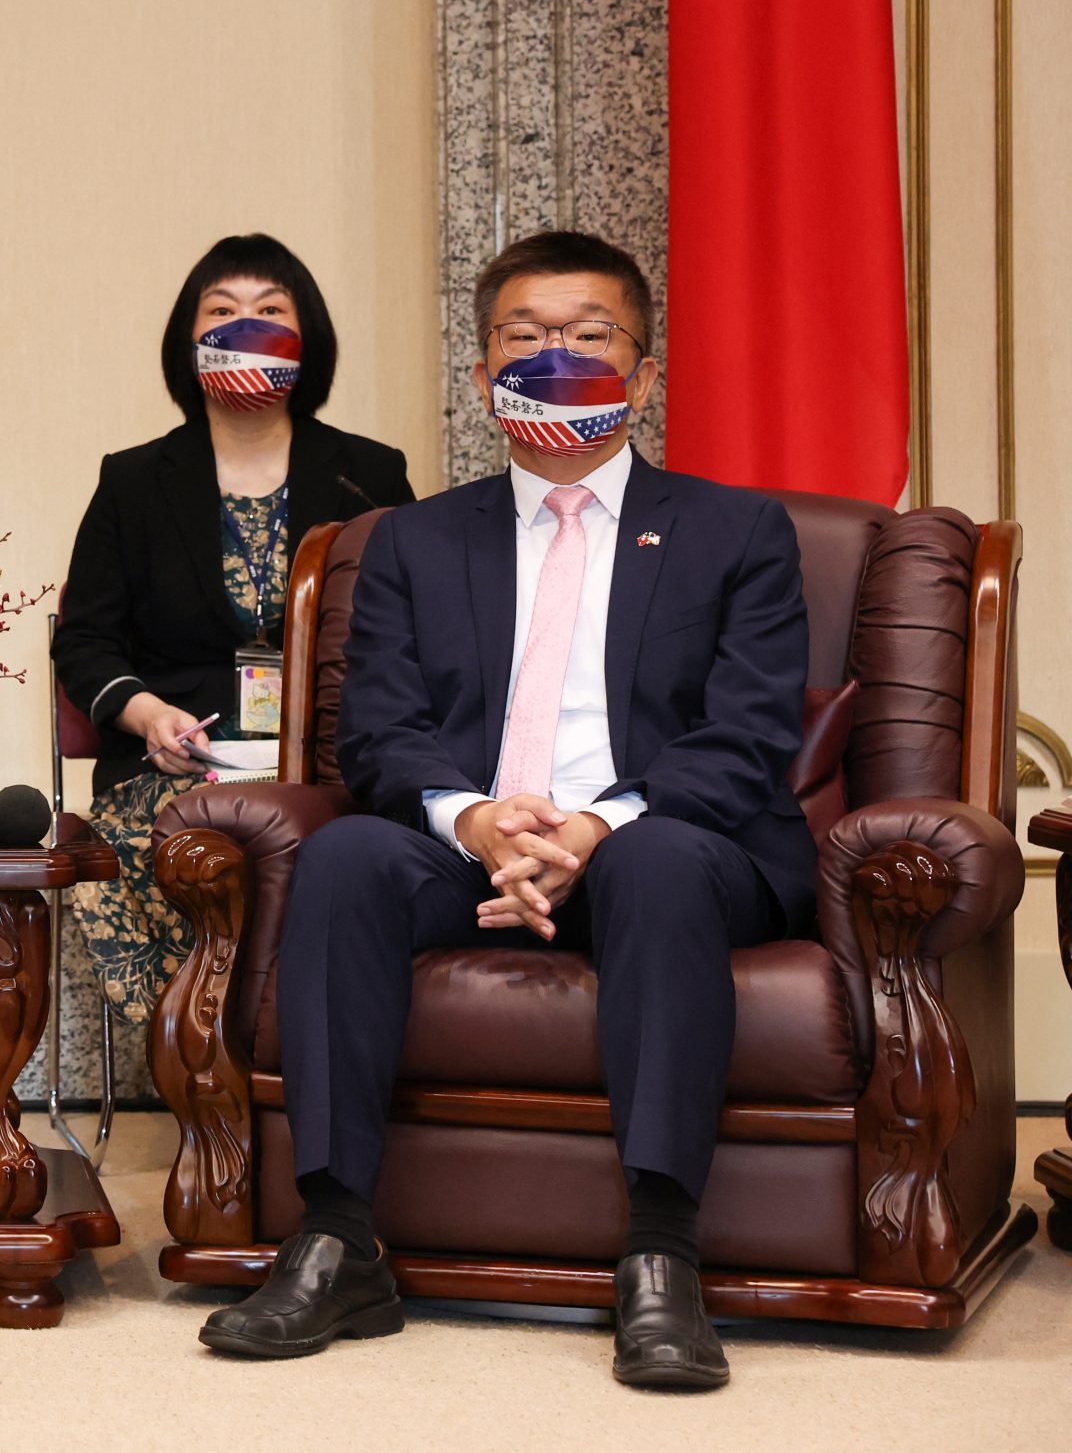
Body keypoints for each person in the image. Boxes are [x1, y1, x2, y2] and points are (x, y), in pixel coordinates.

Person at [198, 231, 812, 1391]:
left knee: (661, 862)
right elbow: (375, 732)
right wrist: (475, 822)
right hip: (475, 843)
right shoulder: (412, 542)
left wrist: (594, 827)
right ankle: (336, 1235)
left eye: (588, 338)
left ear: (643, 373)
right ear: (481, 374)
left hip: (665, 844)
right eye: (522, 340)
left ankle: (661, 1254)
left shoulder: (736, 533)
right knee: (343, 862)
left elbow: (745, 738)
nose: (554, 358)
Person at [54, 233, 411, 1020]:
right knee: (175, 842)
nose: (245, 327)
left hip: (328, 767)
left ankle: (305, 1059)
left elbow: (418, 631)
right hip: (175, 770)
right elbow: (83, 639)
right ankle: (207, 1072)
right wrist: (147, 716)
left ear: (305, 339)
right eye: (223, 312)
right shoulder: (135, 480)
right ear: (190, 343)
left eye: (270, 312)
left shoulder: (370, 473)